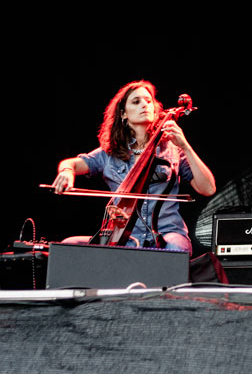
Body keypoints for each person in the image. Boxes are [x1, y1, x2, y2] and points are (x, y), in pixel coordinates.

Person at [51, 80, 216, 254]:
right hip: (123, 238)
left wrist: (185, 146)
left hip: (167, 234)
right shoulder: (109, 153)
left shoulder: (172, 150)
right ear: (123, 114)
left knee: (174, 249)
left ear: (154, 108)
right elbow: (71, 163)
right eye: (136, 102)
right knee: (69, 245)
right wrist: (67, 171)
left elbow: (208, 188)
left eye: (148, 101)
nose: (144, 105)